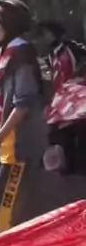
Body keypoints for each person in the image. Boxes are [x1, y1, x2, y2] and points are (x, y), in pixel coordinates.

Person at [0, 0, 47, 234]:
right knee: (0, 201)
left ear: (10, 24)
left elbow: (22, 106)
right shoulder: (4, 53)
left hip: (22, 145)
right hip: (10, 145)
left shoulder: (20, 55)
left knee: (6, 210)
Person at [37, 21, 86, 173]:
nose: (44, 37)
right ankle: (67, 166)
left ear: (55, 33)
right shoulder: (52, 54)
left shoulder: (71, 49)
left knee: (77, 132)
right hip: (61, 100)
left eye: (47, 33)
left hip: (76, 99)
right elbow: (54, 78)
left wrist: (80, 79)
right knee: (62, 133)